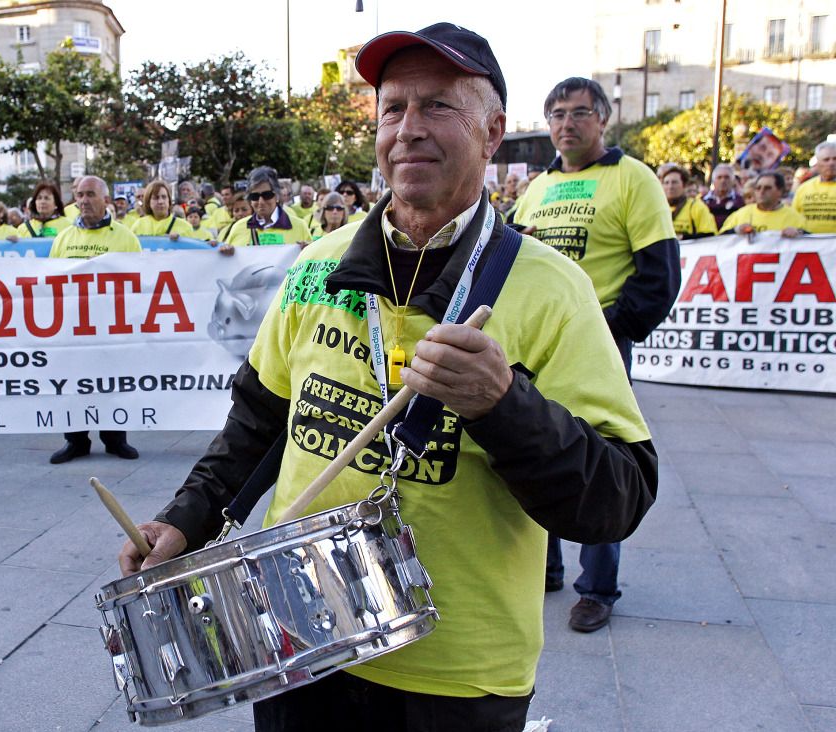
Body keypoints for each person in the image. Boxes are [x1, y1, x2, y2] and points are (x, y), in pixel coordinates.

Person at [118, 24, 657, 732]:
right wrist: (183, 520)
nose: (409, 129)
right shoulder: (318, 261)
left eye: (439, 106)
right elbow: (257, 424)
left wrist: (503, 404)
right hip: (300, 643)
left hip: (457, 674)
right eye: (393, 109)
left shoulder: (555, 289)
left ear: (493, 132)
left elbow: (617, 499)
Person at [512, 76, 677, 634]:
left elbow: (659, 276)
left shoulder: (635, 180)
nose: (567, 123)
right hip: (539, 345)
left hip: (601, 344)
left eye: (580, 112)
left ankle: (597, 587)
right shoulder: (536, 188)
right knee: (540, 448)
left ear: (602, 120)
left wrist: (608, 330)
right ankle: (547, 566)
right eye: (556, 113)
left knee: (602, 459)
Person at [48, 176, 141, 464]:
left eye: (90, 194)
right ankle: (75, 441)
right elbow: (50, 282)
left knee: (112, 384)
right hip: (73, 330)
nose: (84, 201)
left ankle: (115, 440)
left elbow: (140, 280)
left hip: (112, 329)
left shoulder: (125, 237)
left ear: (105, 199)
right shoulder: (63, 238)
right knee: (73, 385)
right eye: (79, 195)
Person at [217, 166, 312, 254]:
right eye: (255, 196)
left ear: (277, 196)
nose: (261, 201)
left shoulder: (300, 227)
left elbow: (313, 263)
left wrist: (308, 252)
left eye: (267, 195)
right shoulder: (238, 227)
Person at [720, 171, 808, 238]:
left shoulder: (795, 218)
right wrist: (737, 230)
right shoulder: (740, 215)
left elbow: (812, 242)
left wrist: (799, 234)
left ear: (780, 191)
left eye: (767, 188)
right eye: (758, 188)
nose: (761, 192)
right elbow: (719, 240)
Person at [659, 164, 717, 239]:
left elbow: (710, 235)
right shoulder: (658, 208)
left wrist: (683, 237)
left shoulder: (696, 207)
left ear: (684, 185)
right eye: (666, 183)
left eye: (674, 182)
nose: (670, 187)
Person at [791, 141, 836, 233]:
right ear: (818, 164)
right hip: (809, 245)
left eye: (835, 159)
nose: (831, 163)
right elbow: (793, 217)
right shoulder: (803, 188)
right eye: (826, 159)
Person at [129, 180, 196, 239]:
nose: (160, 201)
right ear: (148, 202)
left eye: (164, 197)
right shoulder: (138, 226)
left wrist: (180, 242)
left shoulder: (185, 227)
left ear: (169, 200)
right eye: (156, 198)